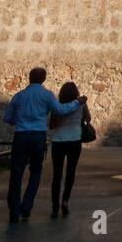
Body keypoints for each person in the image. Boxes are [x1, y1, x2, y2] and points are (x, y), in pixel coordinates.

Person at [2, 67, 85, 224]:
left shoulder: (19, 96)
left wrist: (18, 121)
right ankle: (26, 206)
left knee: (16, 174)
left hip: (21, 136)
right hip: (38, 137)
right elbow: (60, 110)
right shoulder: (46, 95)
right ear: (43, 79)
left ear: (29, 78)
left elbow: (7, 117)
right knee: (35, 172)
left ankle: (14, 211)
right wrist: (77, 102)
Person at [48, 81, 90, 218]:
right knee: (70, 173)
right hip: (74, 141)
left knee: (57, 175)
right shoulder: (81, 105)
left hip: (58, 141)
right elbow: (88, 119)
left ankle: (54, 207)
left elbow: (52, 125)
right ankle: (65, 201)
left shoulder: (58, 106)